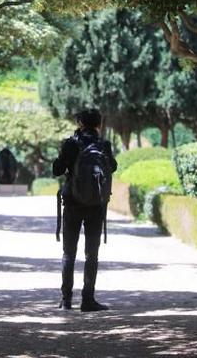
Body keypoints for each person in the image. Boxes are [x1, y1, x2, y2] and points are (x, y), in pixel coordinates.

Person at [52, 108, 116, 312]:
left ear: (79, 122)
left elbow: (57, 170)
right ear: (98, 124)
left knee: (69, 253)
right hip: (96, 206)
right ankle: (88, 300)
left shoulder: (71, 143)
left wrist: (64, 158)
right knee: (92, 254)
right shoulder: (103, 145)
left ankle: (66, 300)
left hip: (72, 203)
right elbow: (113, 167)